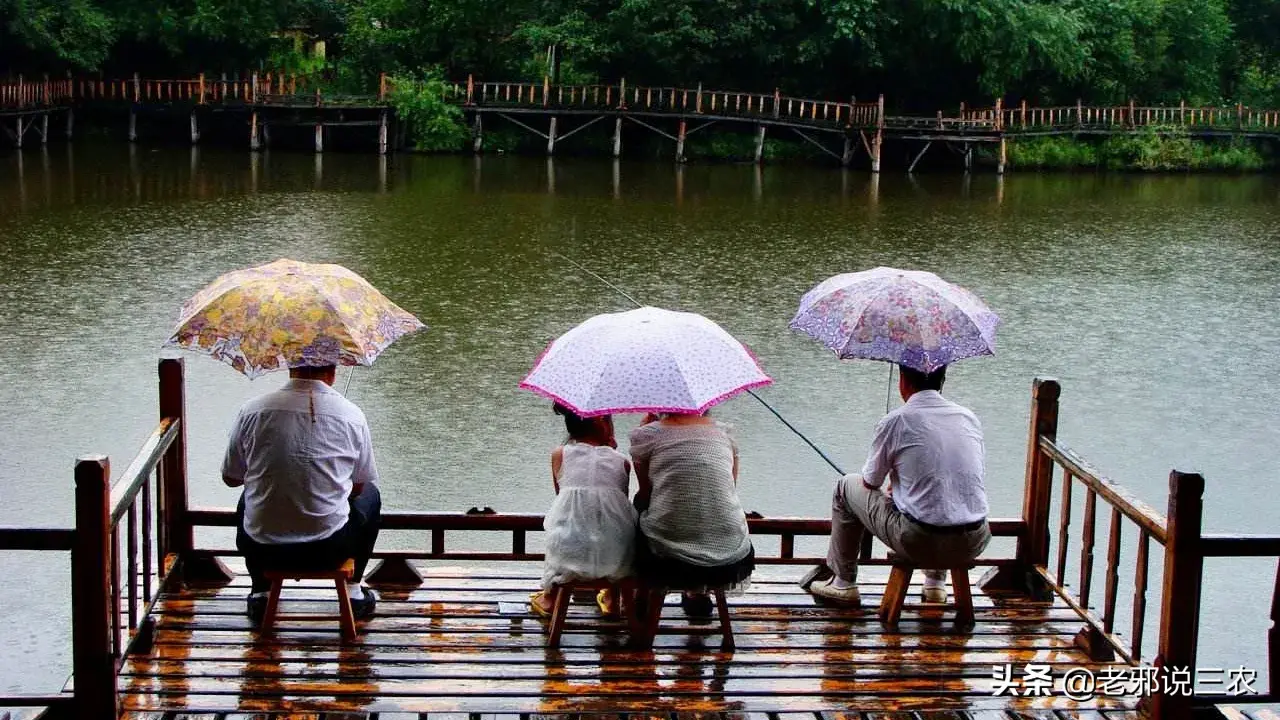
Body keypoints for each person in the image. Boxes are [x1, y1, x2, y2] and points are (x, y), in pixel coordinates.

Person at [808, 364, 990, 607]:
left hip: (919, 542)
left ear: (903, 380)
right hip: (974, 540)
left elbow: (870, 481)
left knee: (845, 486)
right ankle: (935, 585)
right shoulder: (968, 417)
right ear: (942, 380)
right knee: (945, 498)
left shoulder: (897, 420)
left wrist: (899, 488)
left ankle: (843, 582)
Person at [222, 363, 382, 624]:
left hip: (264, 549)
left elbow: (231, 478)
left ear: (290, 368)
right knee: (371, 497)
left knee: (249, 493)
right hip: (328, 549)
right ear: (331, 372)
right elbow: (360, 486)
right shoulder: (351, 414)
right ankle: (353, 591)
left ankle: (261, 591)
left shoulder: (252, 410)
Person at [629, 410, 755, 617]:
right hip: (730, 548)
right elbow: (730, 486)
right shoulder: (724, 433)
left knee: (640, 508)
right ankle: (698, 594)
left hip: (669, 554)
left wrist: (647, 429)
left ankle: (641, 595)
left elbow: (646, 492)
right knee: (710, 506)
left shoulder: (646, 435)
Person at [529, 404, 637, 618]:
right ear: (603, 424)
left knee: (563, 525)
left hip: (568, 557)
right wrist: (610, 450)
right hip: (616, 558)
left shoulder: (560, 455)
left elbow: (563, 499)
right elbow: (618, 505)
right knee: (615, 526)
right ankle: (612, 599)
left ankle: (550, 598)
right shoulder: (622, 462)